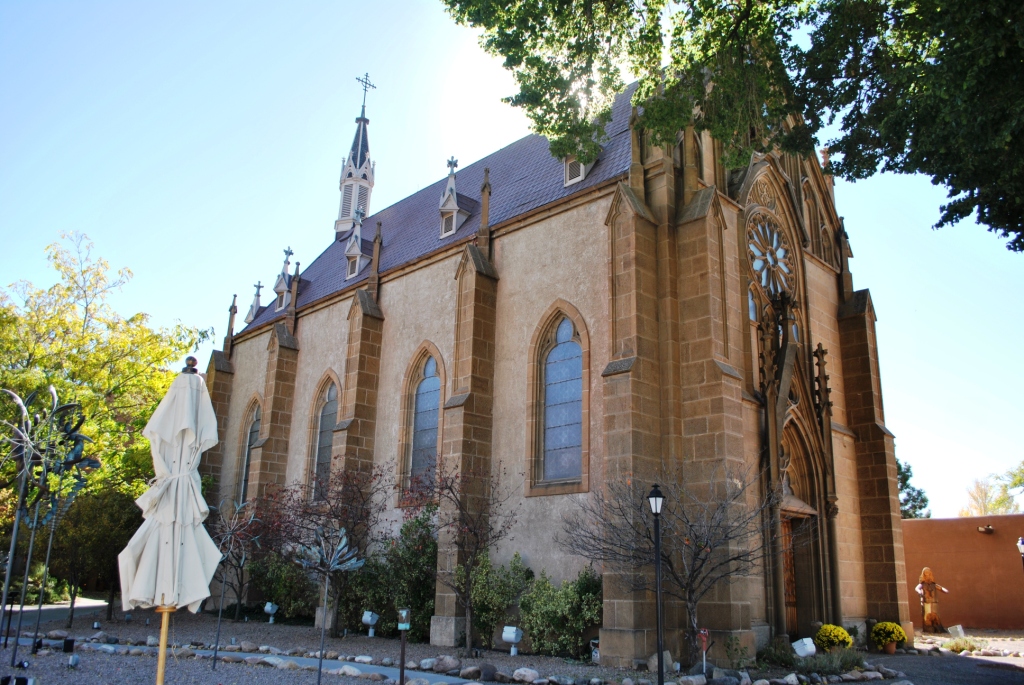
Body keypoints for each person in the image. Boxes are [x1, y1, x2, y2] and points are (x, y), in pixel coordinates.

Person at [915, 567, 950, 633]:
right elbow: (917, 588)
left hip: (934, 602)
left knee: (936, 616)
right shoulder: (922, 584)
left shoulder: (934, 585)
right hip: (926, 602)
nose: (927, 574)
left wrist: (945, 590)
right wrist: (919, 592)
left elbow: (941, 588)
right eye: (926, 573)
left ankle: (938, 629)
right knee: (927, 617)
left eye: (928, 573)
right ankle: (928, 629)